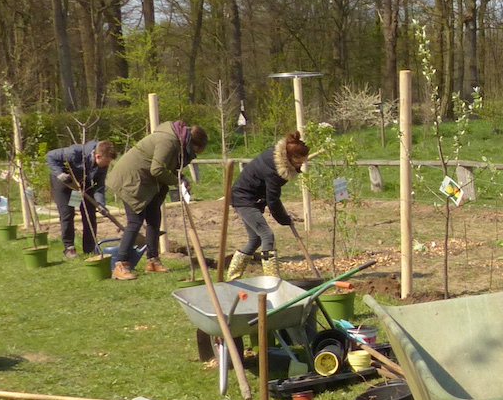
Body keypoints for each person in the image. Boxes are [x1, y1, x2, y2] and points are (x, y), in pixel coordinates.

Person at [106, 120, 208, 280]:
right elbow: (157, 169)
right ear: (192, 143)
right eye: (196, 150)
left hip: (146, 182)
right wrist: (177, 182)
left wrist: (182, 178)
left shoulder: (178, 142)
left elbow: (168, 166)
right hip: (131, 180)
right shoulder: (168, 141)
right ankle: (121, 264)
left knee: (154, 218)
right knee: (135, 222)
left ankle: (152, 260)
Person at [225, 131, 311, 279]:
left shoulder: (276, 157)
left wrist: (284, 217)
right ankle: (272, 279)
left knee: (255, 239)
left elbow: (272, 196)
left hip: (251, 199)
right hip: (243, 200)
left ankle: (233, 276)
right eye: (299, 162)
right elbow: (273, 200)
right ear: (289, 157)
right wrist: (284, 219)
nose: (301, 165)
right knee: (267, 235)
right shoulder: (273, 169)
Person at [45, 138, 116, 258]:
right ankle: (69, 248)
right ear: (98, 156)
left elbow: (99, 185)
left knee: (89, 213)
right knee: (68, 213)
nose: (107, 164)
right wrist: (59, 174)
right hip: (63, 183)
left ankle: (90, 248)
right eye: (107, 161)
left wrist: (100, 204)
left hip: (80, 184)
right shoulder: (75, 152)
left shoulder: (102, 166)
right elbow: (50, 156)